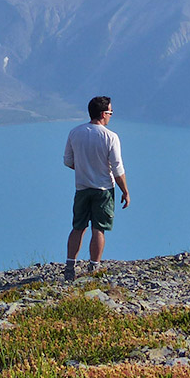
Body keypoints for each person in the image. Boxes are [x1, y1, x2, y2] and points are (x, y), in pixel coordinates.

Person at [63, 96, 130, 281]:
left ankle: (70, 266)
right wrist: (125, 191)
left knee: (78, 227)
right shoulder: (111, 137)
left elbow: (68, 161)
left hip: (82, 187)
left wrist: (84, 168)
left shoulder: (75, 132)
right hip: (104, 189)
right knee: (98, 229)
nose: (111, 116)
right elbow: (117, 169)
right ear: (103, 114)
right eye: (110, 113)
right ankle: (94, 268)